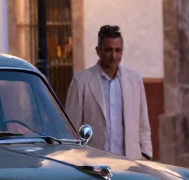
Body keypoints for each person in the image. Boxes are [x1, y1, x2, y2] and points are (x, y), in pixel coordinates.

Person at [65, 25, 153, 160]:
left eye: (118, 50)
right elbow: (71, 127)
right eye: (108, 50)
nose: (113, 56)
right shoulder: (81, 81)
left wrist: (146, 154)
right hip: (94, 163)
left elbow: (143, 124)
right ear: (98, 51)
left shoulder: (134, 80)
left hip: (130, 163)